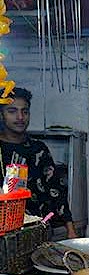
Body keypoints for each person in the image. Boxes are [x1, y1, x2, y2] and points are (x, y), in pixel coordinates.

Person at [0, 88, 77, 238]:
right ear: (1, 115)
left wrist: (70, 229)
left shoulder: (38, 149)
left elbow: (56, 190)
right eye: (12, 111)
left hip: (38, 230)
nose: (20, 117)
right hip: (4, 235)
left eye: (25, 111)